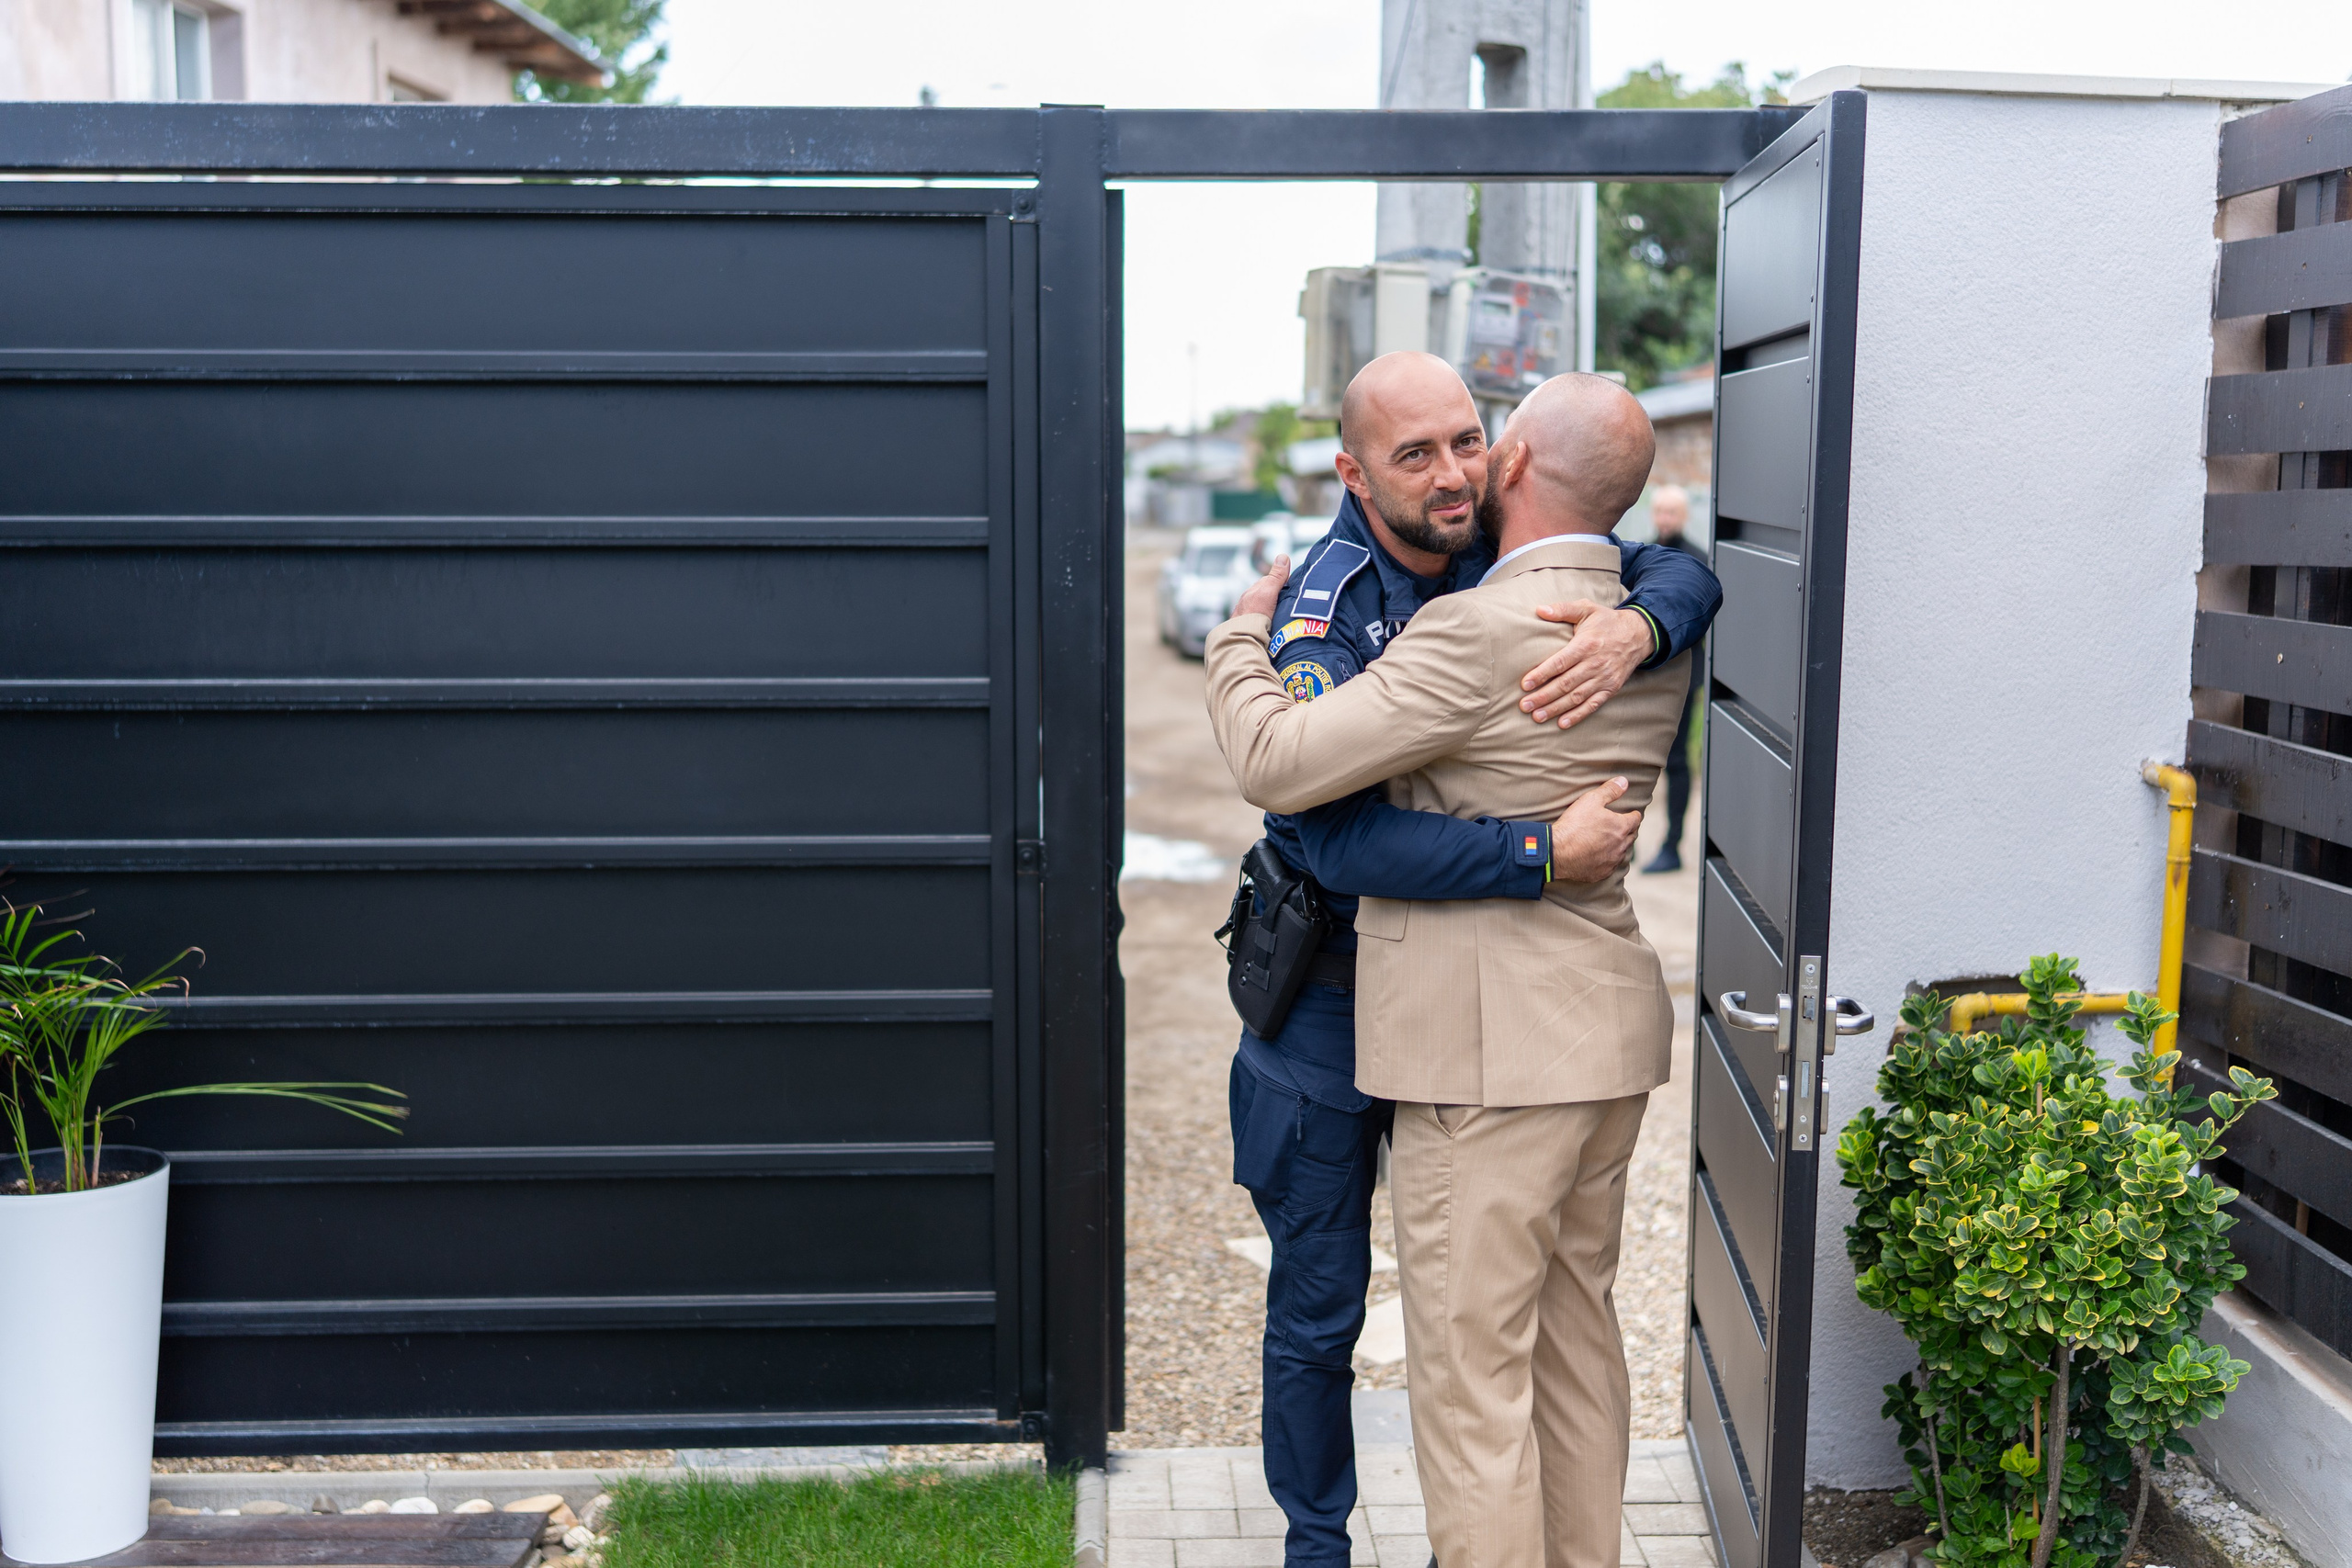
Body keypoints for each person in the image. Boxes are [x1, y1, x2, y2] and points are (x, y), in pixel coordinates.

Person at [1220, 354, 1722, 1568]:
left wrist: (1234, 647)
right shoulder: (1611, 618)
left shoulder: (1483, 619)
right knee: (1569, 1342)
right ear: (1355, 470)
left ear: (1513, 461)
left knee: (1471, 1381)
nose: (1457, 471)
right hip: (1570, 1033)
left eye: (1473, 443)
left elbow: (1283, 765)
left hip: (1482, 1049)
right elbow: (1326, 833)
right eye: (1421, 452)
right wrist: (1544, 840)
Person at [1640, 484, 1703, 874]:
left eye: (1672, 513)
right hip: (1642, 679)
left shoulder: (1698, 560)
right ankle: (1625, 844)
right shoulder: (1641, 556)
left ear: (1684, 516)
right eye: (1660, 511)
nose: (1665, 519)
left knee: (1677, 761)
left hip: (1682, 679)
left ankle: (1672, 845)